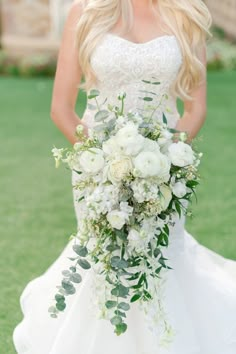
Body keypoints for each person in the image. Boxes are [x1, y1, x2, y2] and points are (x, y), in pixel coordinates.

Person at [13, 0, 236, 353]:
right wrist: (101, 162)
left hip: (162, 173)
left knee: (163, 257)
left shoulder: (184, 13)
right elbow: (62, 108)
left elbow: (196, 108)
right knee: (103, 259)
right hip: (97, 173)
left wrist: (167, 159)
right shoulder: (85, 12)